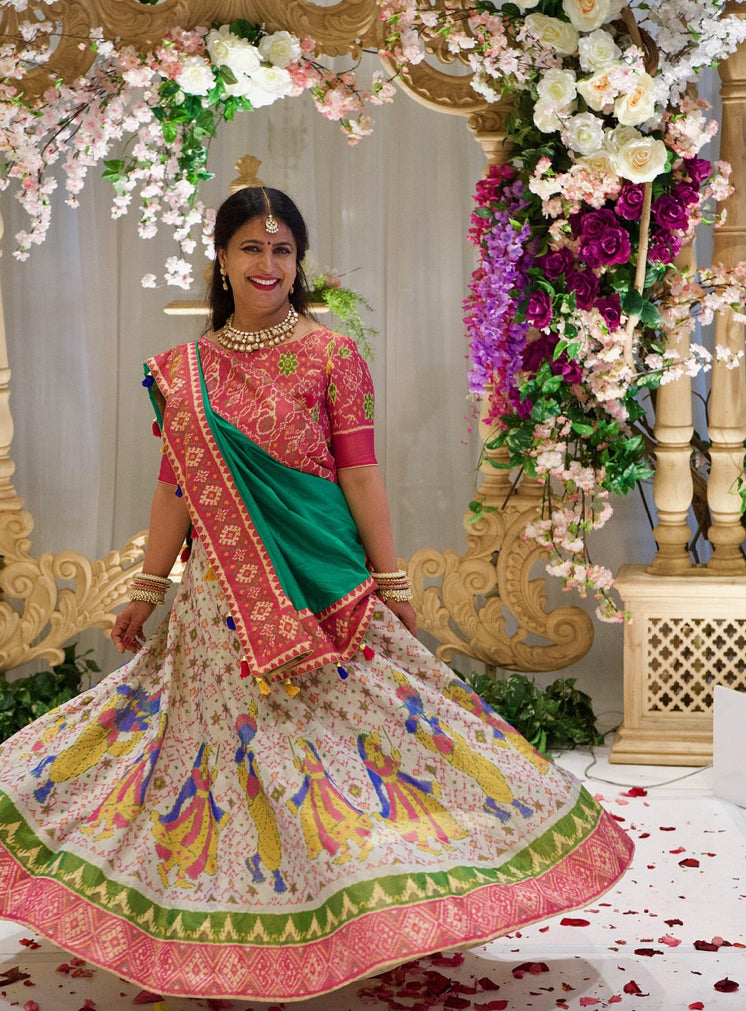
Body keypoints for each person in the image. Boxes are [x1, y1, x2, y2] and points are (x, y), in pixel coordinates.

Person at [0, 187, 633, 1003]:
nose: (267, 264)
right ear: (221, 259)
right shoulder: (185, 372)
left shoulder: (332, 356)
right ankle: (236, 913)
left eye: (283, 250)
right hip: (220, 602)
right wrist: (148, 588)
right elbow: (174, 489)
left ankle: (357, 903)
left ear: (299, 262)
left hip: (325, 585)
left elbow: (360, 473)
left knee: (360, 741)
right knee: (233, 753)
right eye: (251, 248)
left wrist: (391, 580)